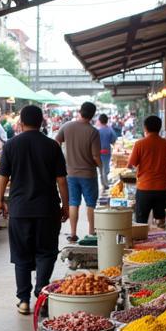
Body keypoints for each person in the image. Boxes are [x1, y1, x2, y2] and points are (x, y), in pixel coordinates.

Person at [0, 105, 69, 315]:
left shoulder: (11, 145)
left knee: (21, 254)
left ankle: (24, 300)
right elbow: (62, 180)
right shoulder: (52, 146)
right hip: (47, 209)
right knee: (46, 253)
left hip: (20, 209)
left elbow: (3, 176)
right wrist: (65, 204)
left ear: (20, 122)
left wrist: (0, 200)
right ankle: (41, 293)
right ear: (42, 122)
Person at [56, 101, 102, 241]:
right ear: (93, 115)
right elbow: (95, 156)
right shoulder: (93, 131)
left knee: (73, 203)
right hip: (88, 174)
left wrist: (62, 159)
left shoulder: (67, 126)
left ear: (80, 111)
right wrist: (101, 166)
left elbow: (56, 142)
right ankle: (91, 232)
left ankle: (73, 233)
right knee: (90, 204)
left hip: (70, 173)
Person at [127, 115, 166, 226]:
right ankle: (160, 239)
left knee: (141, 222)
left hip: (144, 188)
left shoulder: (139, 144)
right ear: (159, 128)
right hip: (162, 188)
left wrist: (137, 168)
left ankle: (142, 241)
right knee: (160, 220)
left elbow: (130, 165)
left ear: (145, 128)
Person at [96, 113, 116, 191]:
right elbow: (113, 140)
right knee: (106, 168)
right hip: (107, 152)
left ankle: (104, 183)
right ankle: (105, 183)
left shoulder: (97, 131)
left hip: (98, 153)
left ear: (100, 121)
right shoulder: (110, 130)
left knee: (101, 169)